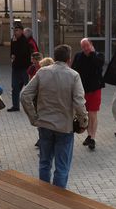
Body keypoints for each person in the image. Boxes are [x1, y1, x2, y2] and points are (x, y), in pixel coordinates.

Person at [21, 44, 88, 189]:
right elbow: (79, 103)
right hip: (64, 127)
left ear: (54, 57)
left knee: (44, 163)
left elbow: (24, 95)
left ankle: (44, 196)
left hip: (44, 125)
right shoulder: (74, 75)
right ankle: (58, 200)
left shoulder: (42, 72)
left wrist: (34, 118)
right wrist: (83, 123)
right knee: (62, 167)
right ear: (69, 60)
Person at [71, 38, 104, 151]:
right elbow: (73, 71)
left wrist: (92, 53)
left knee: (92, 114)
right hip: (82, 90)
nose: (85, 48)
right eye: (83, 46)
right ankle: (89, 135)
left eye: (87, 45)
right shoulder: (78, 56)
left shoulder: (98, 56)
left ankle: (92, 138)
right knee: (84, 114)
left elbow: (99, 65)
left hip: (95, 89)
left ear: (91, 45)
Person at [8, 23, 31, 112]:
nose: (15, 32)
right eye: (14, 30)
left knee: (28, 86)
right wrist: (12, 57)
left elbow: (21, 53)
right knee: (15, 86)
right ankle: (15, 106)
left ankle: (32, 105)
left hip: (24, 67)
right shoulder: (13, 40)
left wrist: (15, 43)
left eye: (17, 30)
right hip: (16, 67)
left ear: (22, 31)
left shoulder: (24, 41)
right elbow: (12, 52)